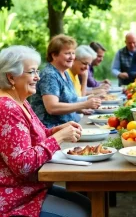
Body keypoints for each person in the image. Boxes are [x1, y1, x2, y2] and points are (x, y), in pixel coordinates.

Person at [0, 45, 90, 217]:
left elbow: (36, 135)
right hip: (14, 197)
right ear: (11, 77)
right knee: (81, 212)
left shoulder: (20, 101)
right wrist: (58, 138)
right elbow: (23, 165)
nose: (37, 77)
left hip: (31, 189)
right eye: (32, 72)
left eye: (37, 71)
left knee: (86, 204)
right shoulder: (7, 108)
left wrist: (57, 130)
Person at [31, 34, 102, 128]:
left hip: (69, 126)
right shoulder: (49, 75)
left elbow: (70, 100)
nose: (72, 57)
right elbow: (52, 107)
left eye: (73, 53)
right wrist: (84, 104)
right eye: (68, 53)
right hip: (53, 130)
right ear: (54, 55)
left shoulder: (64, 72)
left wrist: (88, 99)